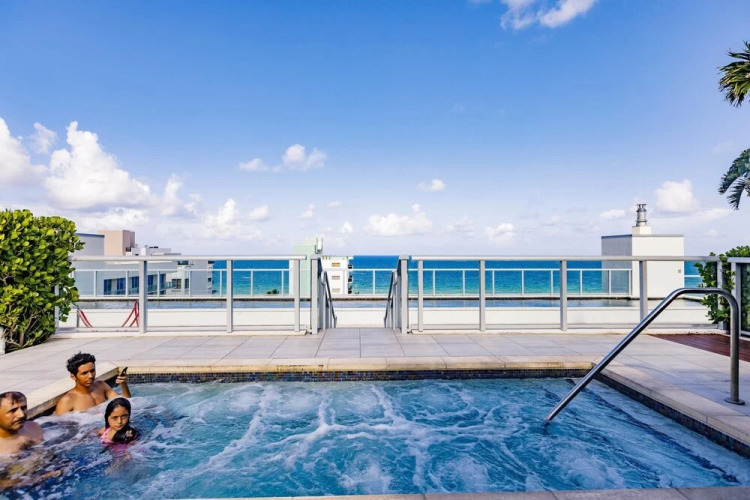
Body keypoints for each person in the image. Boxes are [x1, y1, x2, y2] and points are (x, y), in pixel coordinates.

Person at [55, 353, 130, 415]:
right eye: (84, 373)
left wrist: (124, 385)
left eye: (92, 371)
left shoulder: (101, 386)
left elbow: (126, 402)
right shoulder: (67, 401)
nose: (90, 376)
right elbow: (61, 427)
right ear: (73, 377)